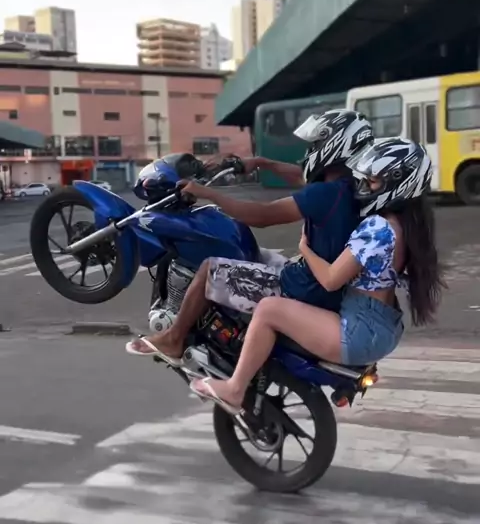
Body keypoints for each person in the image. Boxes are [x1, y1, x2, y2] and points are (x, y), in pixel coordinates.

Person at [188, 137, 446, 415]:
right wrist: (264, 163)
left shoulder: (378, 228)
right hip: (384, 325)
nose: (364, 186)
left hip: (359, 331)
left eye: (373, 181)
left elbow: (331, 279)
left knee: (268, 309)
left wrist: (305, 249)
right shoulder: (410, 225)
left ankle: (235, 388)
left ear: (399, 183)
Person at [126, 110, 374, 358]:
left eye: (316, 144)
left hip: (303, 287)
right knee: (254, 254)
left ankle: (173, 339)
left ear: (336, 144)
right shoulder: (354, 187)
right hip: (322, 285)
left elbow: (262, 216)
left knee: (209, 271)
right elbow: (301, 176)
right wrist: (261, 163)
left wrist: (208, 194)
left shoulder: (325, 194)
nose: (311, 151)